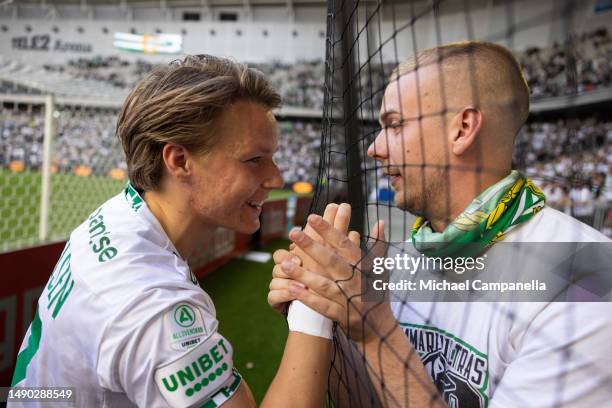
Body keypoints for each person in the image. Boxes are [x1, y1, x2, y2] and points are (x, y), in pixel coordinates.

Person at [269, 41, 612, 407]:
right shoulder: (403, 259)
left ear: (462, 129)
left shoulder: (588, 277)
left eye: (395, 125)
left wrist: (373, 328)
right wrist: (321, 312)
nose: (375, 148)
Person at [10, 55, 338, 408]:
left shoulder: (117, 216)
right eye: (254, 160)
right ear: (179, 161)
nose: (276, 178)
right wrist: (314, 305)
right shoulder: (154, 308)